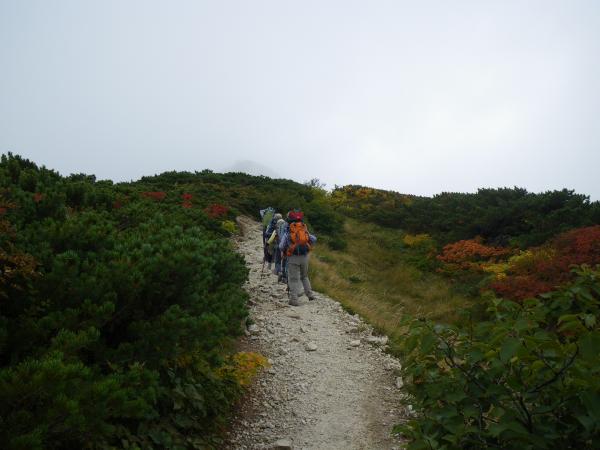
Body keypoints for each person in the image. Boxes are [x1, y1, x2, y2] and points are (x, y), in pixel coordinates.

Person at [279, 209, 317, 306]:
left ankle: (294, 300)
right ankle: (310, 295)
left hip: (293, 258)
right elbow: (314, 239)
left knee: (293, 279)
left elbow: (281, 246)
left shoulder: (288, 231)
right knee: (304, 276)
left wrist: (285, 249)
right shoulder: (304, 229)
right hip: (304, 257)